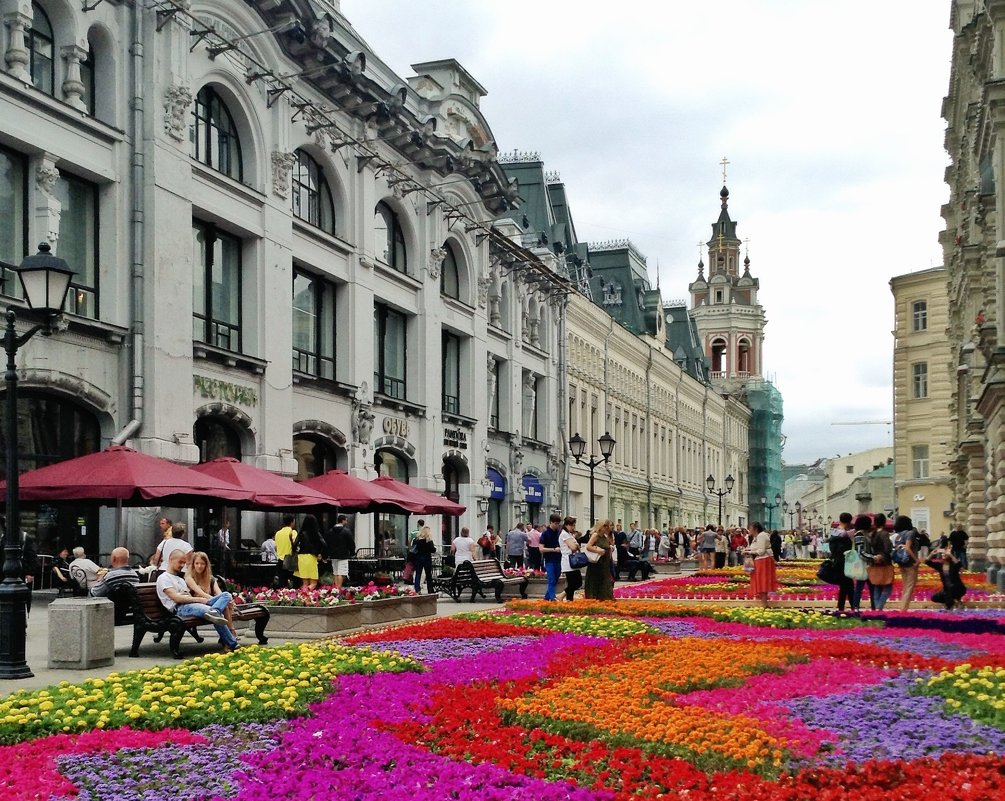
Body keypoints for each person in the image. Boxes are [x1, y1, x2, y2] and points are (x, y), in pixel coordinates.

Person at [156, 549, 238, 652]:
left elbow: (186, 595)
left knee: (226, 595)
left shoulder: (180, 580)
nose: (182, 565)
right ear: (171, 560)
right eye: (180, 562)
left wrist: (188, 597)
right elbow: (177, 598)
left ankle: (215, 610)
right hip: (180, 608)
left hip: (191, 604)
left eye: (184, 563)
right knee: (216, 615)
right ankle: (233, 644)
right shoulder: (164, 578)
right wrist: (198, 599)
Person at [186, 550, 239, 641]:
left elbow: (219, 593)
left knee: (226, 601)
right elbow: (201, 593)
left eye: (202, 564)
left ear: (206, 565)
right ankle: (231, 631)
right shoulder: (189, 578)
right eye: (197, 563)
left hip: (211, 606)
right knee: (225, 601)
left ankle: (226, 631)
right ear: (193, 564)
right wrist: (219, 600)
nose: (199, 566)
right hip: (198, 605)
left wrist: (227, 601)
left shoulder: (210, 578)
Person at [928, 537, 967, 610]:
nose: (943, 555)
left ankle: (950, 606)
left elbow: (959, 564)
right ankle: (954, 602)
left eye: (945, 554)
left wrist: (951, 555)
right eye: (942, 554)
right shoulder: (940, 566)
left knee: (948, 592)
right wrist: (931, 553)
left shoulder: (953, 565)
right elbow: (927, 561)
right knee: (935, 597)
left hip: (958, 588)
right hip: (947, 590)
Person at [865, 513, 894, 610]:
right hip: (884, 561)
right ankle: (879, 606)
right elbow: (888, 548)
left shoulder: (872, 534)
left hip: (874, 561)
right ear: (884, 522)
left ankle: (877, 607)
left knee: (877, 584)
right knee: (887, 585)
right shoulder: (884, 534)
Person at [893, 514, 921, 611]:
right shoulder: (910, 533)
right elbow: (908, 548)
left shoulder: (897, 535)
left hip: (901, 562)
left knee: (905, 586)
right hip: (910, 563)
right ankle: (903, 609)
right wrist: (916, 560)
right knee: (909, 587)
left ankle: (902, 607)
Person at [828, 512, 855, 612]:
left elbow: (832, 548)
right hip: (845, 561)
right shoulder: (848, 534)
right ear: (849, 521)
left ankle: (842, 608)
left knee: (845, 586)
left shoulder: (834, 532)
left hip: (837, 562)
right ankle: (853, 607)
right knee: (849, 585)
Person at [745, 521, 776, 607]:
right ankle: (764, 603)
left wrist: (748, 551)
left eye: (750, 528)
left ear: (755, 528)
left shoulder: (761, 536)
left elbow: (761, 551)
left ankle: (764, 604)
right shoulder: (757, 536)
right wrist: (747, 550)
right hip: (760, 560)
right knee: (760, 581)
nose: (749, 530)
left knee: (762, 581)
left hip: (763, 560)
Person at [584, 519, 615, 600]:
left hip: (605, 564)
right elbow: (588, 546)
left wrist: (610, 548)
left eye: (607, 526)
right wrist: (598, 550)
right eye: (605, 526)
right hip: (597, 564)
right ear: (600, 526)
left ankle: (606, 599)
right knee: (595, 583)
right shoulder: (595, 535)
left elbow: (608, 545)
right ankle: (595, 599)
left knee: (606, 583)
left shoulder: (605, 536)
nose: (606, 528)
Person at [537, 513, 564, 601]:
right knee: (551, 579)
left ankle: (547, 597)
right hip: (549, 560)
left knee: (556, 578)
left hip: (559, 559)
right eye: (555, 523)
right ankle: (552, 598)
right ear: (551, 522)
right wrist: (553, 549)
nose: (557, 525)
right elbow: (541, 549)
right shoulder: (545, 534)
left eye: (558, 523)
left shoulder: (559, 533)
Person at [295, 514, 324, 590]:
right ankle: (307, 595)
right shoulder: (316, 533)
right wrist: (320, 553)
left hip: (301, 557)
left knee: (305, 583)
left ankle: (304, 598)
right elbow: (324, 544)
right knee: (313, 583)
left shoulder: (301, 533)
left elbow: (294, 545)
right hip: (312, 557)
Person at [325, 514, 355, 588]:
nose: (347, 522)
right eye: (346, 520)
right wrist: (352, 552)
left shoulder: (330, 531)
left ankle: (335, 588)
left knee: (335, 572)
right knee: (341, 573)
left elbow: (327, 543)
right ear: (343, 520)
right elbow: (351, 543)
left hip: (333, 555)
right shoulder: (346, 531)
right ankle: (338, 589)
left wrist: (327, 553)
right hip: (343, 555)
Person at [559, 516, 583, 601]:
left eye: (574, 525)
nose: (573, 527)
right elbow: (573, 547)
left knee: (577, 582)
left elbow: (577, 546)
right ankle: (563, 595)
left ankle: (568, 598)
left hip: (573, 561)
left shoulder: (569, 534)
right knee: (574, 583)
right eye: (572, 525)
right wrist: (576, 545)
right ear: (566, 525)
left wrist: (576, 546)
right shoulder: (564, 534)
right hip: (568, 562)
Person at [274, 514, 298, 588]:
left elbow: (275, 547)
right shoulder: (293, 532)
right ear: (292, 522)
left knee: (282, 585)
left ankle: (282, 598)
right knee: (295, 583)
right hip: (290, 561)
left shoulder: (278, 533)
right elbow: (296, 544)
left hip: (280, 561)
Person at [411, 526, 436, 594]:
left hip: (418, 558)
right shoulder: (428, 540)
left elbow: (413, 549)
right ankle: (430, 589)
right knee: (428, 574)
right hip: (427, 558)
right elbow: (433, 550)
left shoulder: (416, 540)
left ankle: (417, 589)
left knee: (418, 574)